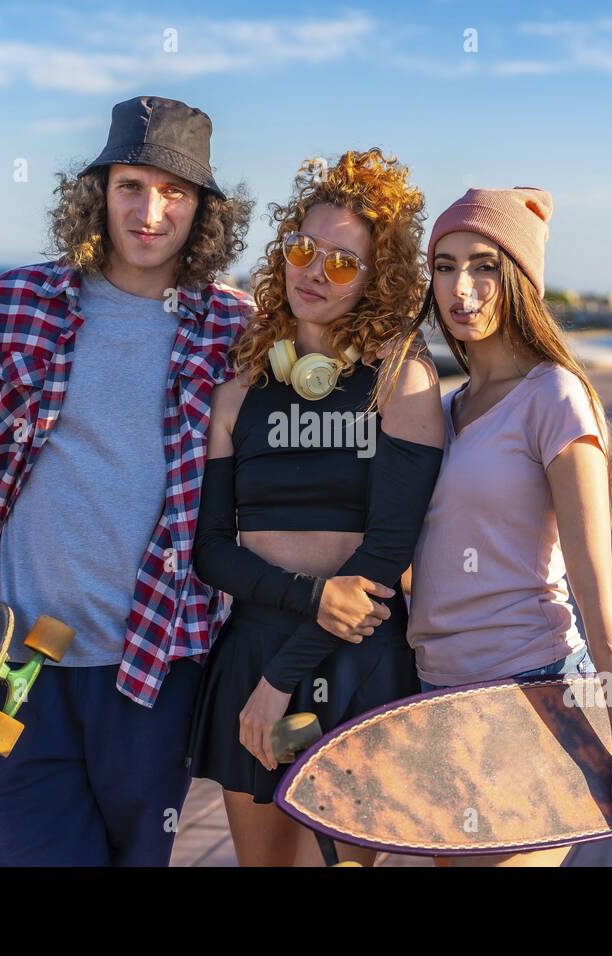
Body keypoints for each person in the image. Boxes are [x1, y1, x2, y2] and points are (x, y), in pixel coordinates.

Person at [0, 95, 254, 866]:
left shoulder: (236, 331)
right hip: (18, 668)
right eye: (131, 186)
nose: (149, 211)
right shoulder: (12, 308)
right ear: (98, 192)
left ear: (203, 213)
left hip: (157, 668)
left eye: (175, 193)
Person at [186, 148, 445, 866]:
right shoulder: (238, 392)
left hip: (358, 659)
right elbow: (211, 550)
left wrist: (282, 680)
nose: (312, 271)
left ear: (376, 278)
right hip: (252, 649)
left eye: (341, 261)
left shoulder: (401, 379)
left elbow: (387, 555)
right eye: (304, 249)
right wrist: (298, 611)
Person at [406, 186, 612, 866]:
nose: (460, 288)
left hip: (533, 692)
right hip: (439, 697)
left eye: (484, 265)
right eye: (444, 265)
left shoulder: (555, 397)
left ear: (520, 278)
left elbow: (594, 585)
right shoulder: (449, 405)